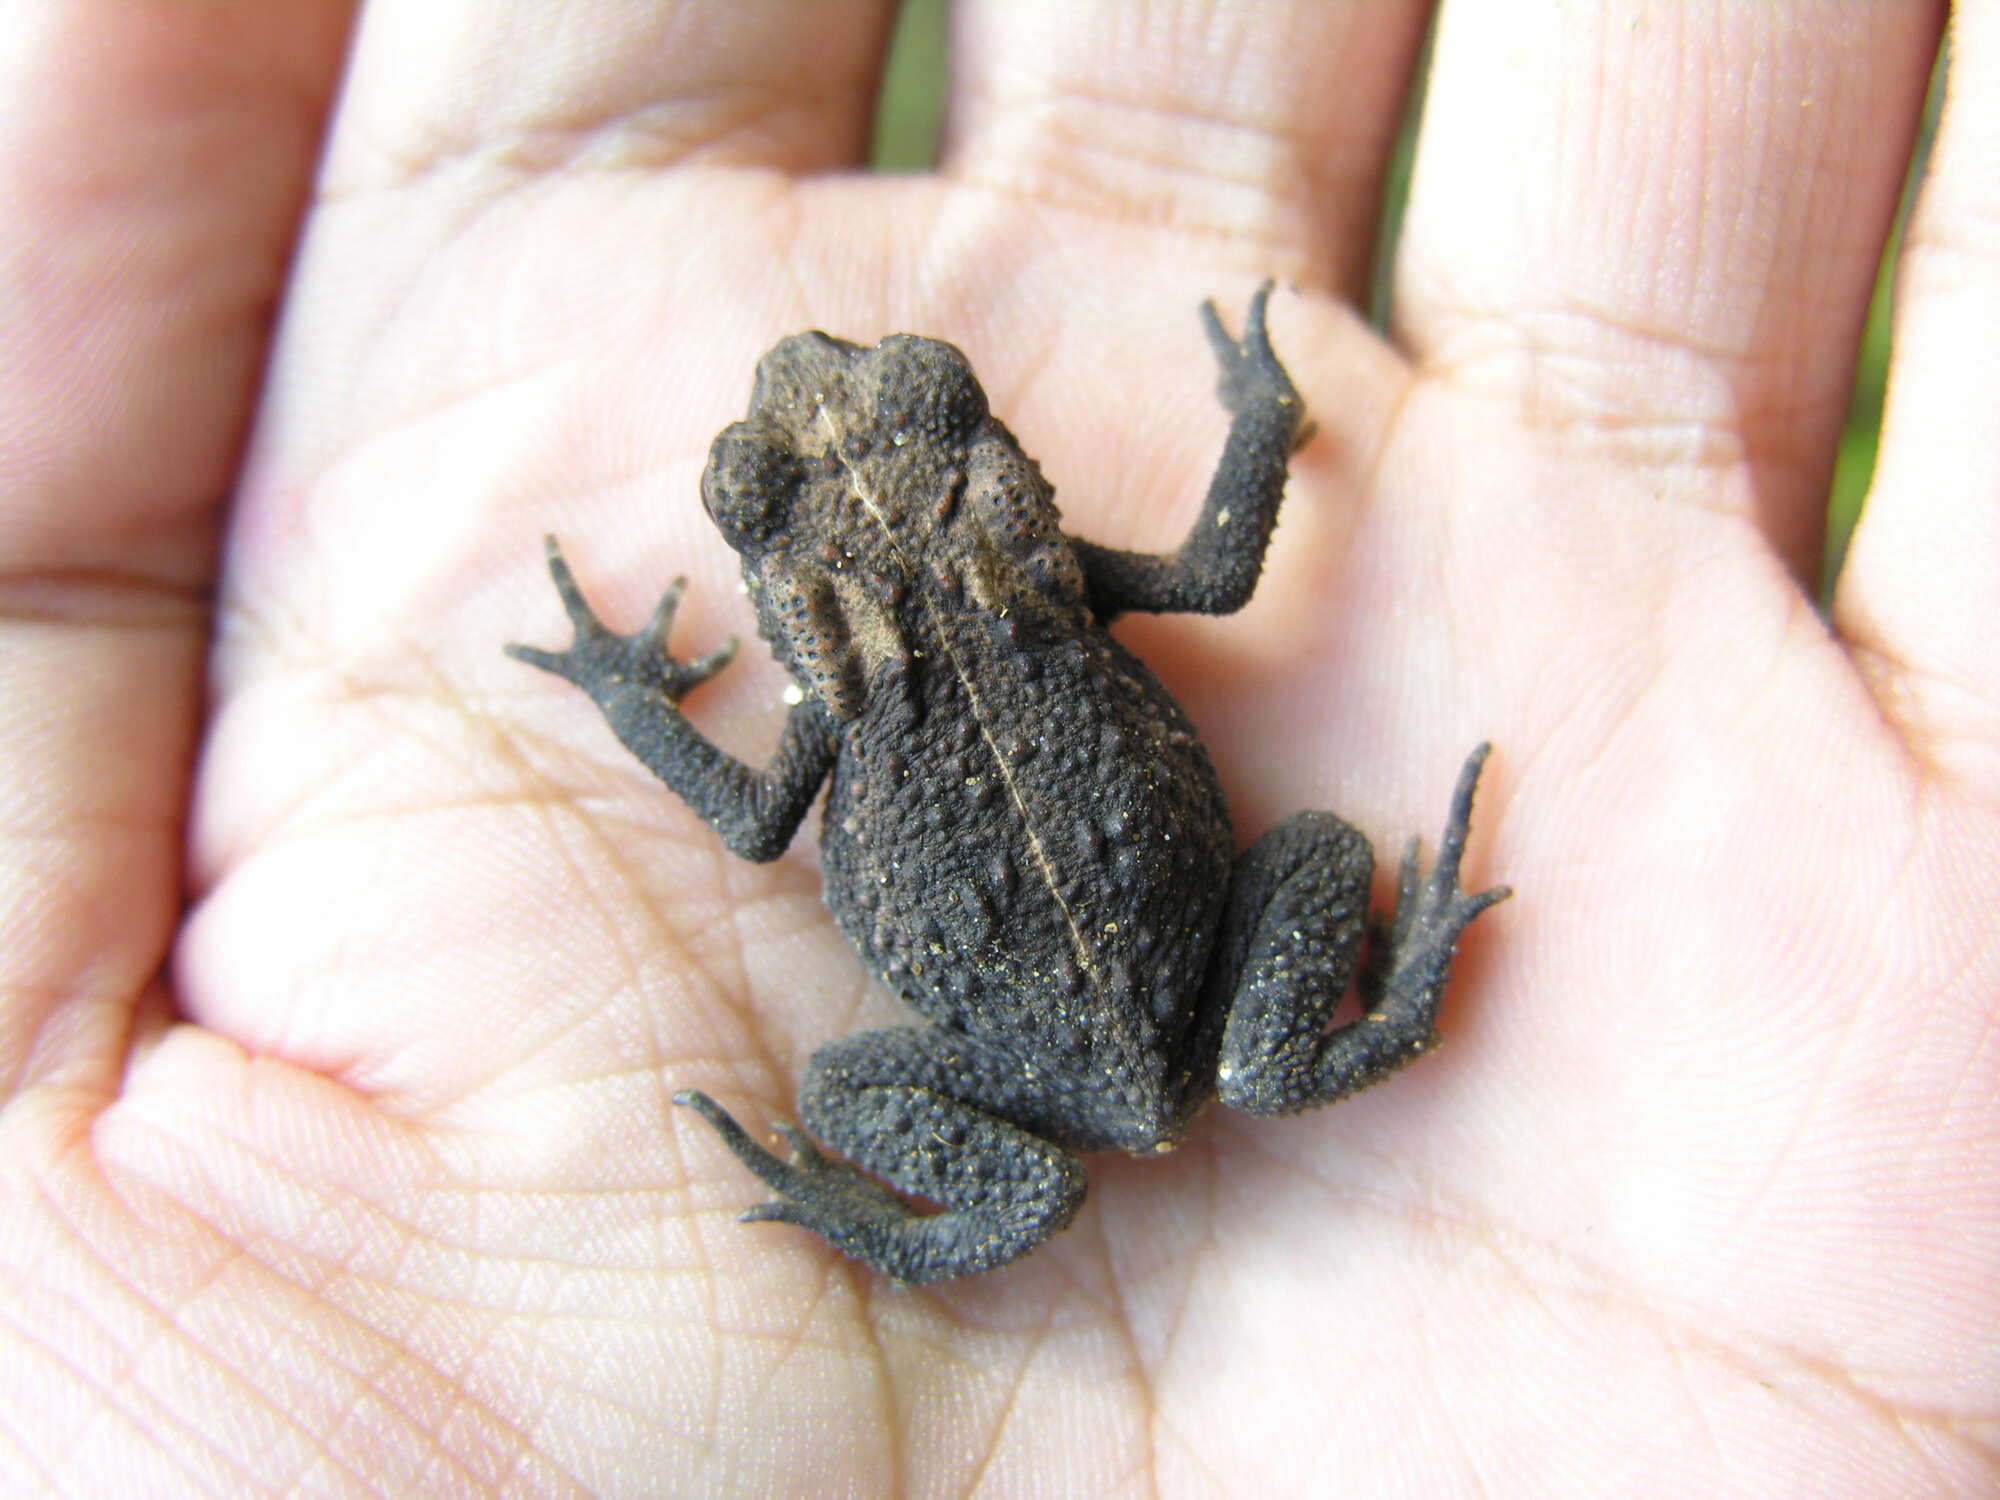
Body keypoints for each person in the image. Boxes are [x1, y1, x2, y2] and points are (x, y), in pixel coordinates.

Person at [1, 3, 1990, 1494]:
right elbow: (1221, 564)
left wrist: (625, 689)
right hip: (1192, 1000)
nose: (838, 393)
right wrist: (1257, 406)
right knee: (1313, 857)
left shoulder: (858, 695)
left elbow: (748, 818)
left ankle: (1004, 1190)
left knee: (865, 1069)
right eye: (767, 480)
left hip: (1036, 1051)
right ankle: (1318, 1042)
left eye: (911, 399)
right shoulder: (1043, 589)